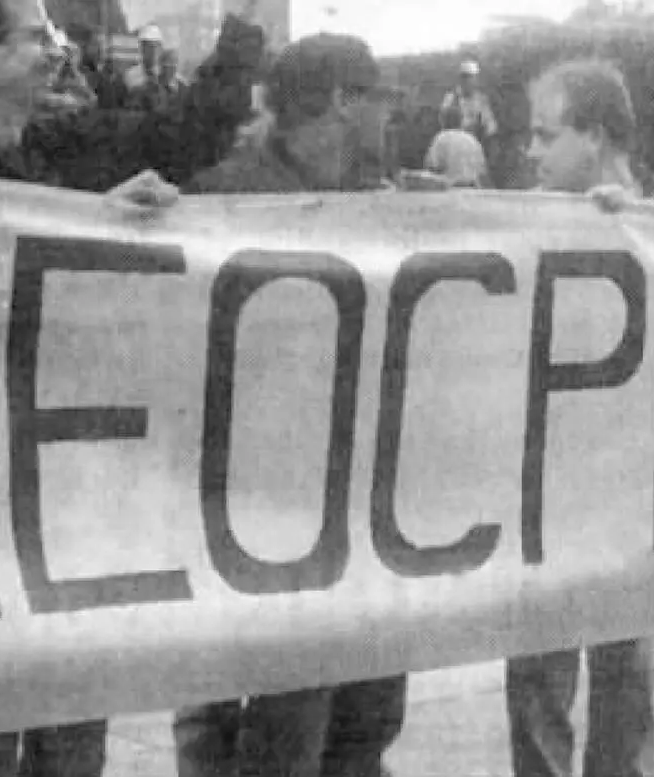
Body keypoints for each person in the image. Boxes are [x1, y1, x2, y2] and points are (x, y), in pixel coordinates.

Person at [0, 1, 263, 774]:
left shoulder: (58, 147)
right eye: (36, 36)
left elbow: (185, 132)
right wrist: (79, 229)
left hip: (73, 491)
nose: (56, 51)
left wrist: (240, 29)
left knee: (75, 726)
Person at [168, 33, 417, 777]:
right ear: (343, 101)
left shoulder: (386, 202)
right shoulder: (221, 195)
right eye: (378, 99)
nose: (387, 117)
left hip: (362, 504)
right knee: (273, 714)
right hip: (259, 507)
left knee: (368, 710)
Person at [503, 60, 654, 777]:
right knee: (539, 682)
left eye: (545, 134)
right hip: (545, 496)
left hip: (631, 499)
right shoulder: (524, 225)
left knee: (625, 684)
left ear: (595, 135)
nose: (530, 152)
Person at [423, 104, 488, 187]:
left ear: (443, 120)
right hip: (473, 190)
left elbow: (432, 168)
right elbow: (482, 171)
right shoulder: (473, 140)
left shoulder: (441, 138)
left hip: (450, 190)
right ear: (461, 120)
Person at [442, 59, 499, 140]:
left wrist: (484, 129)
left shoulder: (481, 100)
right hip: (455, 140)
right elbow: (444, 122)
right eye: (465, 77)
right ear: (460, 79)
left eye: (471, 77)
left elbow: (491, 126)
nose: (468, 81)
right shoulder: (450, 98)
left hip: (475, 141)